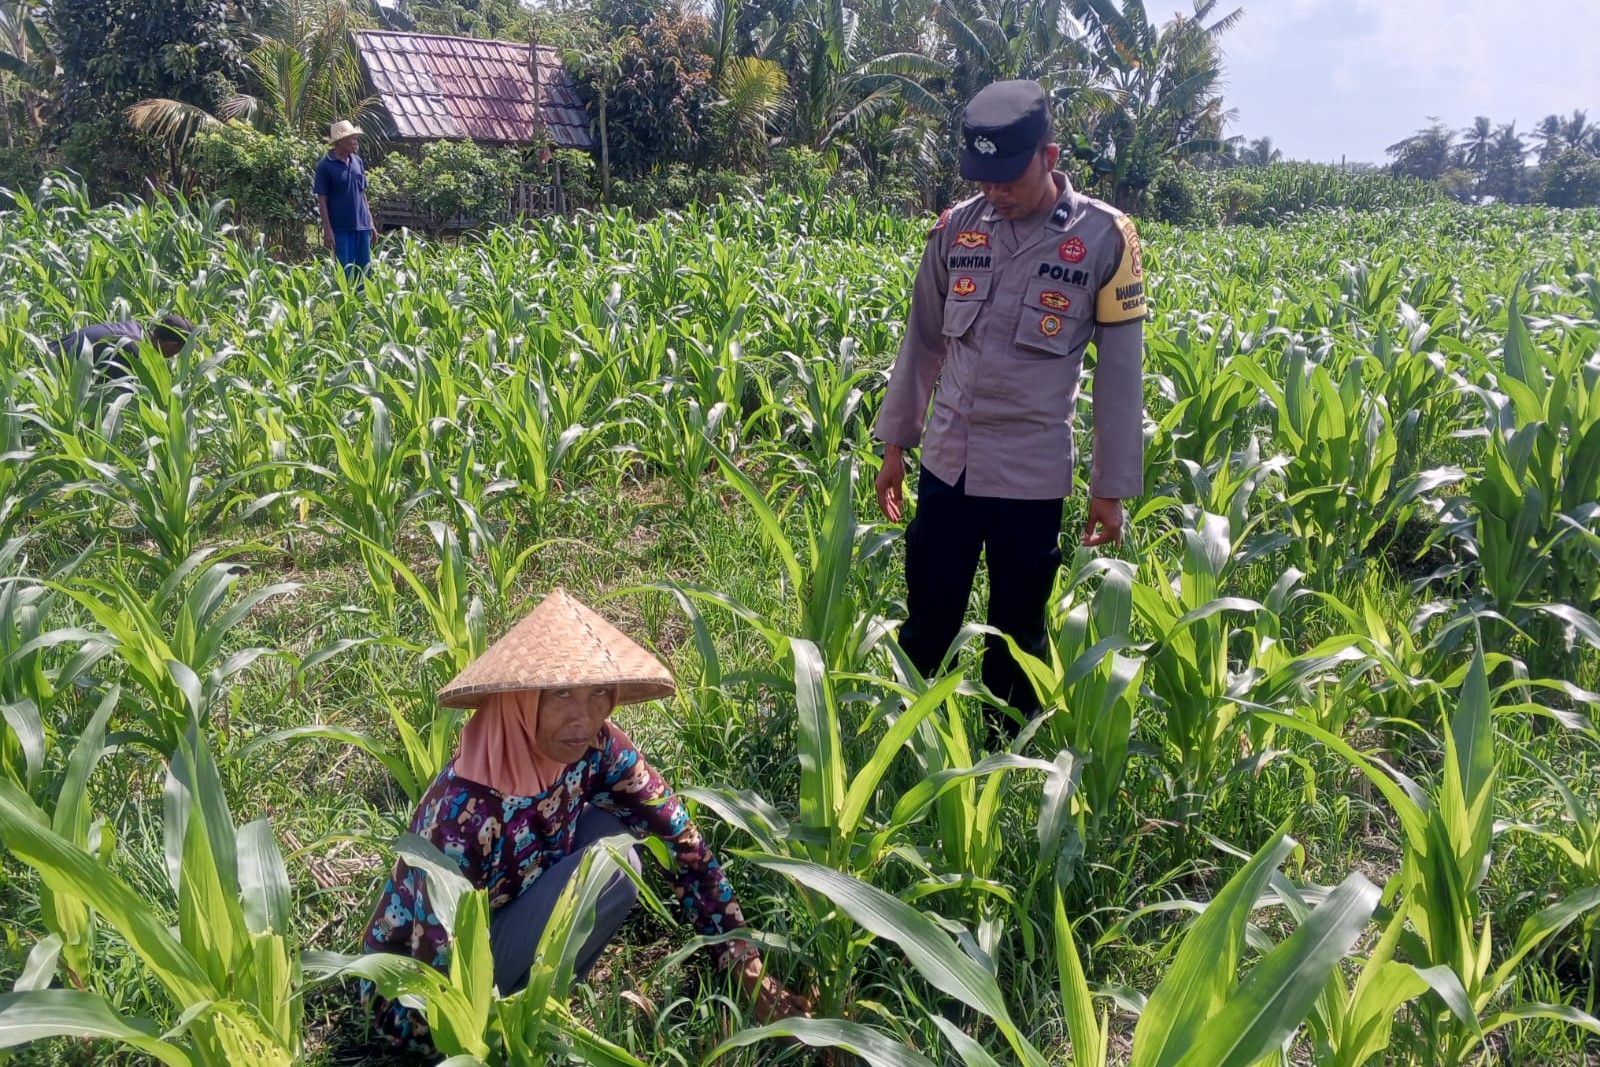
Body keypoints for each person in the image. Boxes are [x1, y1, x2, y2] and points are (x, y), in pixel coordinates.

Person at [359, 588, 811, 1053]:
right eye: (561, 694)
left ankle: (541, 1001)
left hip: (513, 907)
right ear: (520, 699)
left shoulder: (594, 748)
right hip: (421, 995)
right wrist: (478, 1046)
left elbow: (678, 836)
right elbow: (439, 965)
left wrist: (744, 965)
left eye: (599, 692)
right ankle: (521, 1024)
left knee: (617, 840)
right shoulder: (460, 813)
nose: (584, 717)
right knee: (611, 864)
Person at [873, 79, 1147, 738]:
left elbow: (1119, 375)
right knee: (930, 613)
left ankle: (1007, 750)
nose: (994, 190)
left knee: (1017, 626)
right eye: (982, 176)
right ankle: (913, 739)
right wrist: (894, 445)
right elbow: (922, 342)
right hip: (949, 464)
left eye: (1008, 175)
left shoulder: (1106, 239)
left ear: (1049, 156)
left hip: (1031, 474)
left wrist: (1109, 490)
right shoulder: (955, 230)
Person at [48, 313, 194, 381]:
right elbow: (110, 404)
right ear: (172, 345)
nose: (176, 355)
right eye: (179, 350)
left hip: (49, 352)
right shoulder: (132, 351)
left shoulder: (136, 329)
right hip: (50, 369)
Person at [315, 119, 375, 278]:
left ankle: (363, 303)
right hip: (340, 229)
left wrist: (370, 223)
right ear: (340, 142)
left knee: (365, 273)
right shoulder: (325, 166)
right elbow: (322, 200)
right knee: (344, 273)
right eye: (352, 138)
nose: (356, 142)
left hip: (361, 227)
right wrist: (328, 231)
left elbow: (363, 194)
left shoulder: (357, 161)